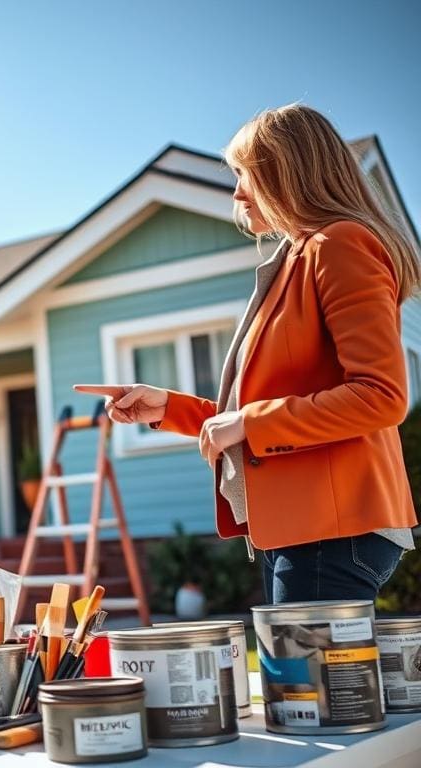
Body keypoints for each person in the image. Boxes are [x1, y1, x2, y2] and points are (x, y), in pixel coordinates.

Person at [77, 104, 420, 604]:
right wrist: (169, 408)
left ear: (288, 173)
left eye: (246, 175)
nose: (237, 192)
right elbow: (256, 415)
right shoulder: (297, 257)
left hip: (332, 529)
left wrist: (249, 423)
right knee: (309, 684)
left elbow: (381, 396)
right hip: (303, 529)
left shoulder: (339, 245)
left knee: (314, 685)